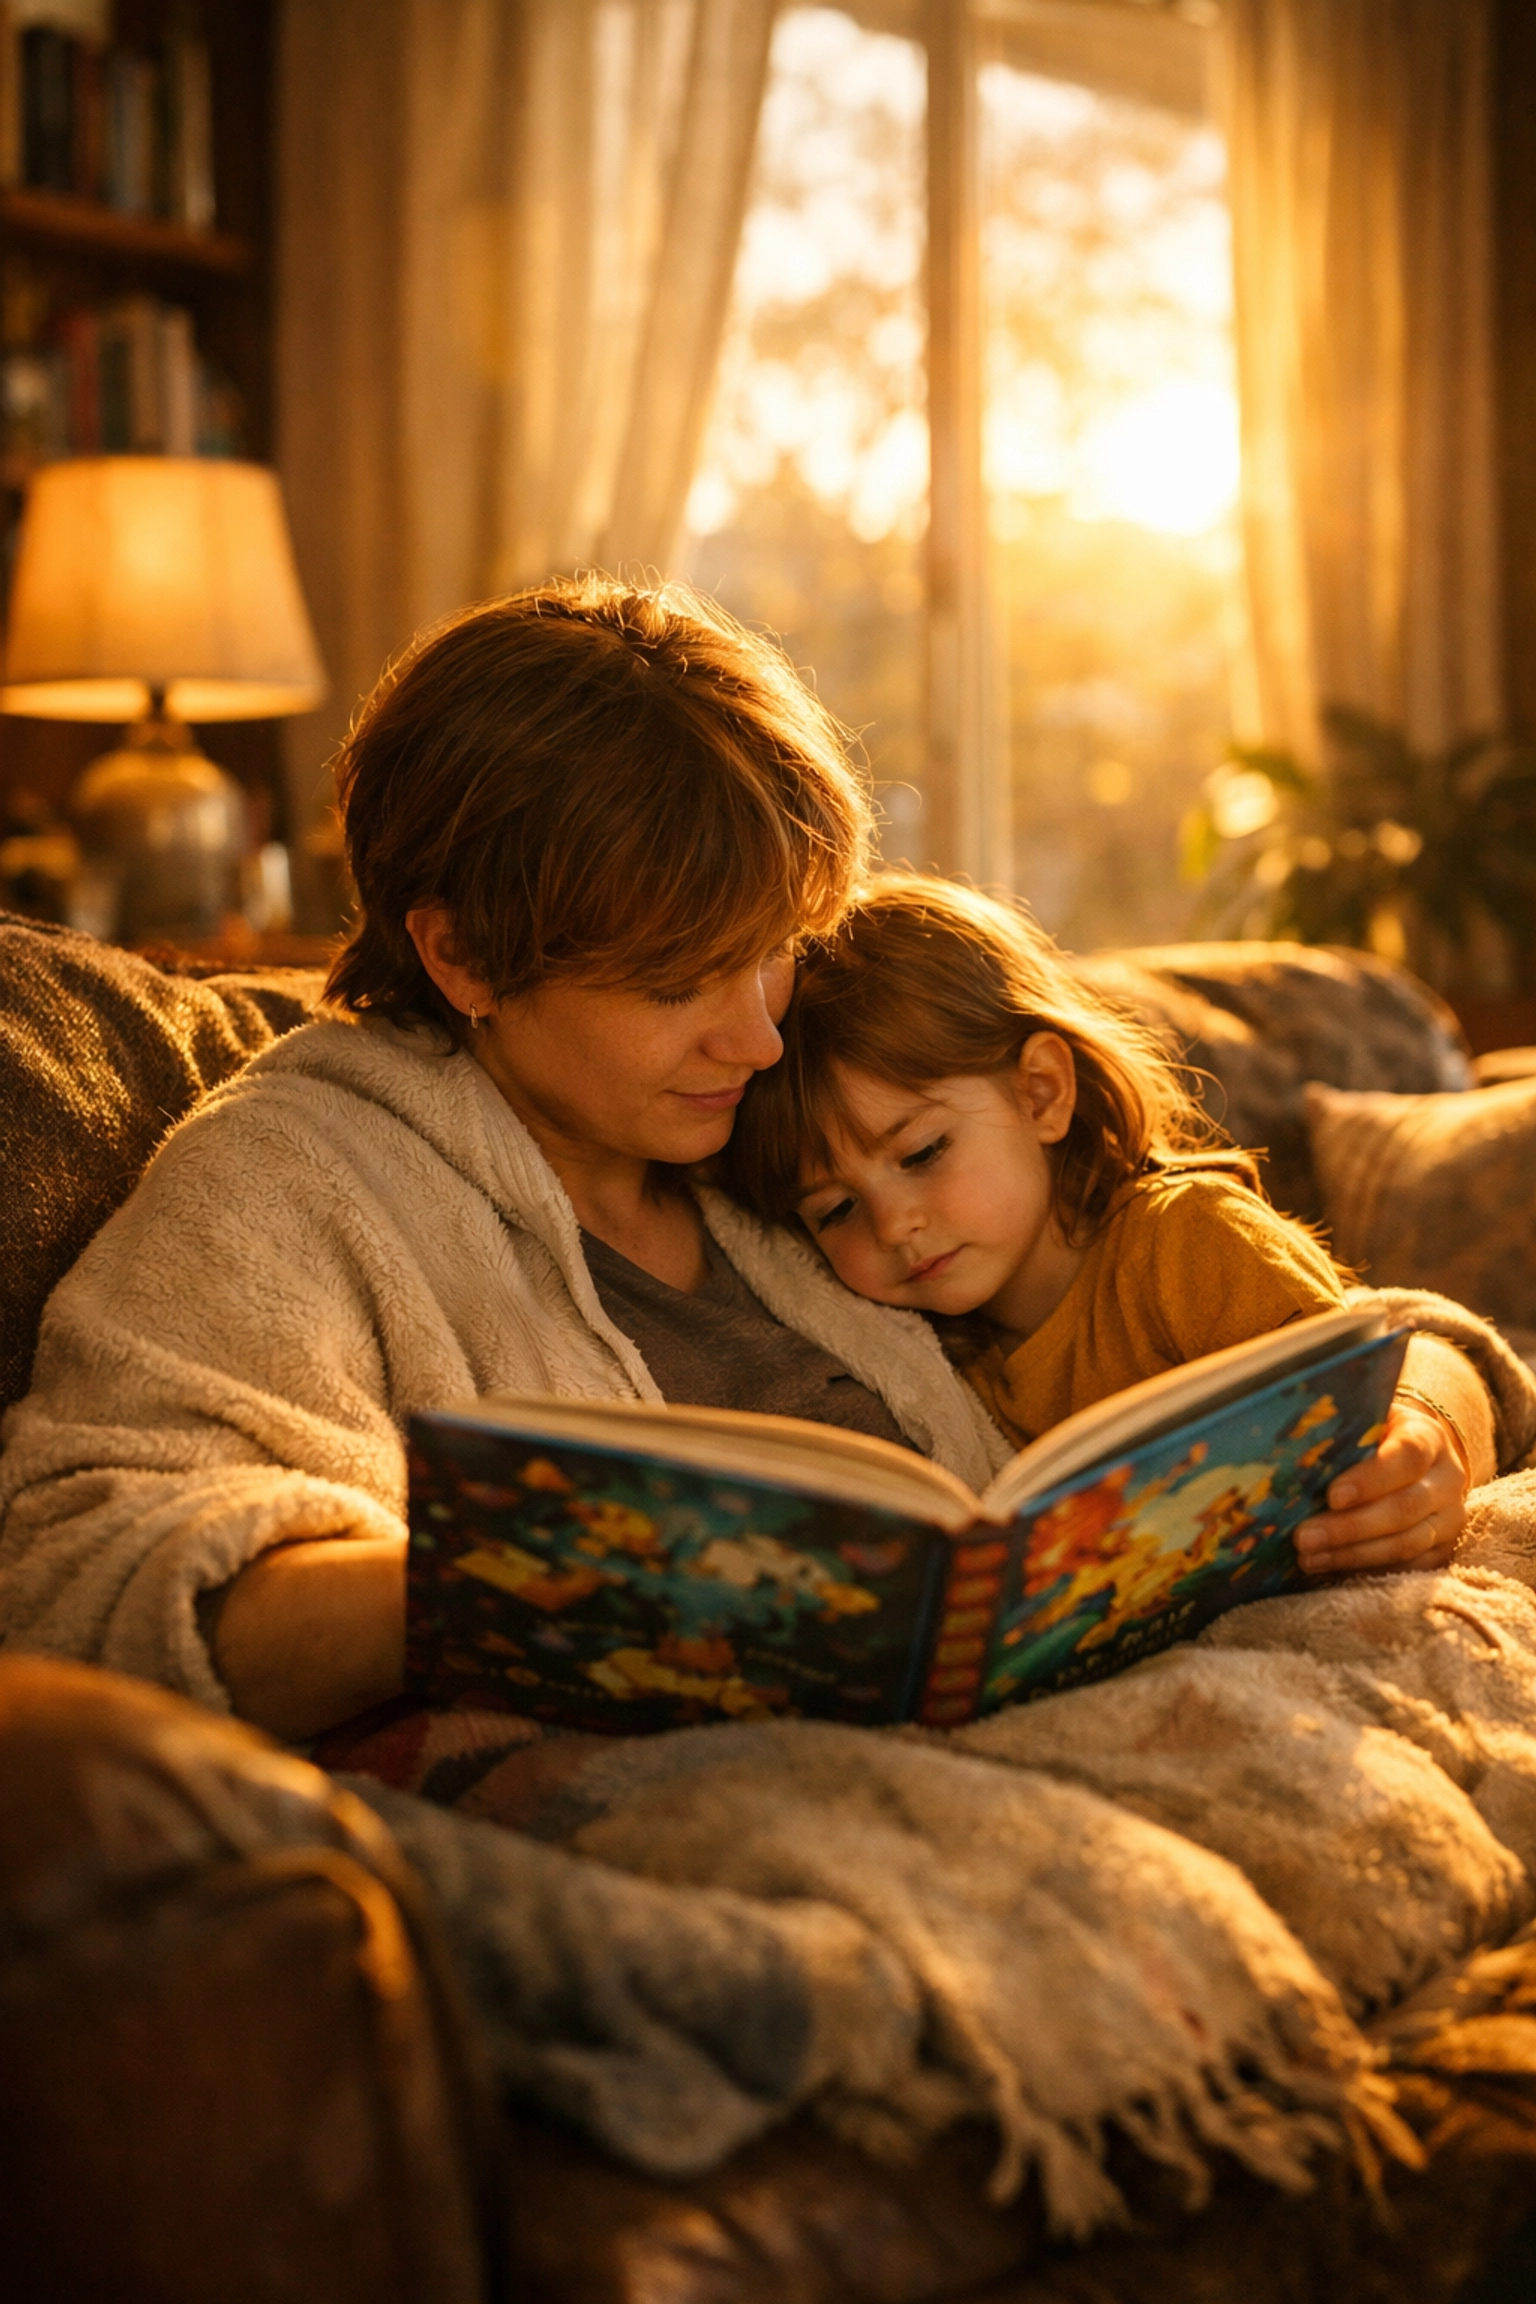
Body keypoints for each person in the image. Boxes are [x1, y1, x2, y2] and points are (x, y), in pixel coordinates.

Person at [0, 579, 1007, 1741]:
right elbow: (72, 1575)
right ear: (464, 954)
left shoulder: (806, 1134)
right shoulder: (293, 1180)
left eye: (775, 953)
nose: (759, 1036)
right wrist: (517, 1587)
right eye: (674, 983)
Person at [718, 874, 1496, 1577]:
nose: (894, 1226)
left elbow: (1363, 1411)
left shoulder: (1189, 1240)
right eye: (836, 1210)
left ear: (1042, 1094)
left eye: (922, 1153)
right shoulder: (921, 1358)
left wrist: (1409, 1461)